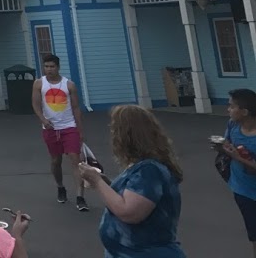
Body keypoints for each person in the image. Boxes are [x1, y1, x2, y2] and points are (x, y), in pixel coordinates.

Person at [78, 104, 187, 258]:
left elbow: (129, 213)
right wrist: (106, 184)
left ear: (127, 136)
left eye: (115, 130)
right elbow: (128, 197)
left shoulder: (149, 170)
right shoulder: (141, 166)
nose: (112, 135)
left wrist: (97, 182)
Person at [31, 53, 87, 210]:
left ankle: (80, 196)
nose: (49, 69)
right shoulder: (39, 84)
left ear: (58, 67)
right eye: (46, 66)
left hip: (69, 127)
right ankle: (60, 187)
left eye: (52, 66)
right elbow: (36, 104)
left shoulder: (68, 85)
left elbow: (76, 108)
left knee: (75, 160)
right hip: (51, 129)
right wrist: (43, 119)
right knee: (56, 161)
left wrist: (80, 130)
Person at [214, 87, 256, 255]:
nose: (228, 110)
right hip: (242, 190)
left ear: (244, 112)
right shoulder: (233, 125)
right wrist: (222, 147)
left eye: (232, 106)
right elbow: (228, 143)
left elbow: (238, 157)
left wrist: (239, 158)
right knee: (254, 234)